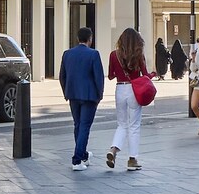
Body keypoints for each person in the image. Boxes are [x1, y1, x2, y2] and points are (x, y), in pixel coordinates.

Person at [58, 25, 105, 169]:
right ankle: (77, 159)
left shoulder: (67, 54)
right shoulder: (94, 54)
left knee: (78, 125)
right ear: (90, 39)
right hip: (89, 96)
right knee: (85, 126)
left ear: (77, 38)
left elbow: (62, 76)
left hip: (73, 94)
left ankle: (83, 154)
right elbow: (99, 77)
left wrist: (66, 92)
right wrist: (99, 94)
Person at [105, 27, 149, 171]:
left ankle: (113, 150)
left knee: (122, 124)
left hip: (120, 88)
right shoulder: (138, 54)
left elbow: (110, 75)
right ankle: (132, 159)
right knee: (134, 125)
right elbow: (145, 74)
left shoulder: (114, 55)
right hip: (134, 89)